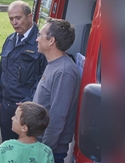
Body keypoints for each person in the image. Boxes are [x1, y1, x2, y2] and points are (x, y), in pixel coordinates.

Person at [0, 0, 47, 143]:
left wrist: (28, 101)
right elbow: (2, 69)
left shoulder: (40, 41)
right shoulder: (10, 39)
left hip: (26, 108)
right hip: (6, 104)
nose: (14, 22)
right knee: (7, 144)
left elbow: (43, 76)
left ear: (29, 17)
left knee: (25, 149)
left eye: (18, 18)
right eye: (11, 19)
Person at [33, 18, 81, 163]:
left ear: (51, 40)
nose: (37, 39)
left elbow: (57, 117)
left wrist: (43, 150)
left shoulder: (64, 72)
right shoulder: (54, 64)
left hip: (49, 151)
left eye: (40, 35)